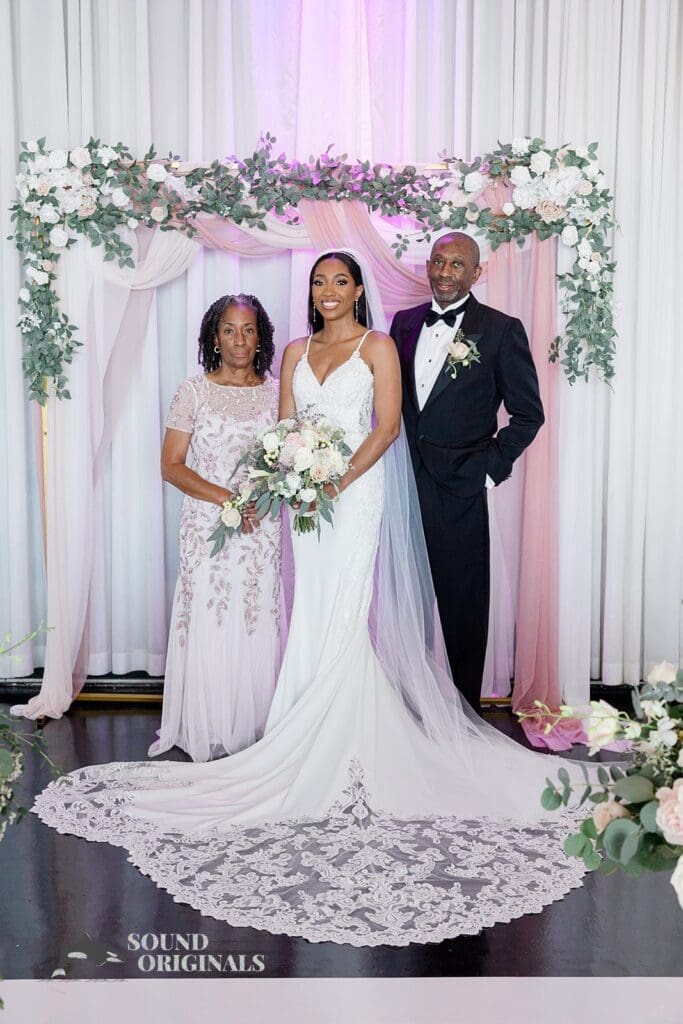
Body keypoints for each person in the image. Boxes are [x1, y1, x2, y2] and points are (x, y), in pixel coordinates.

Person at [33, 251, 589, 948]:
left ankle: (344, 738)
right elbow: (281, 432)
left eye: (340, 281)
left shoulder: (379, 346)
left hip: (354, 495)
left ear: (357, 290)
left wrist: (337, 479)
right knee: (312, 607)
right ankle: (299, 725)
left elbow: (387, 427)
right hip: (306, 499)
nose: (329, 291)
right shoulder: (294, 351)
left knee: (346, 606)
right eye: (319, 282)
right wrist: (292, 476)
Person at [390, 232, 544, 712]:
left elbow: (528, 414)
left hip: (461, 486)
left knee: (463, 603)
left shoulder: (500, 330)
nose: (444, 272)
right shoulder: (403, 323)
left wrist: (487, 470)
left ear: (476, 273)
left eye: (457, 264)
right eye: (438, 261)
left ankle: (466, 713)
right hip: (402, 481)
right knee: (404, 598)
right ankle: (409, 705)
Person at [148, 294, 280, 762]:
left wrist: (264, 496)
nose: (239, 340)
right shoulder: (193, 391)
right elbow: (171, 466)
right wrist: (228, 498)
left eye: (248, 330)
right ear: (214, 338)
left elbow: (287, 459)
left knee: (257, 612)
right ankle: (207, 723)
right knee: (211, 611)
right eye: (229, 330)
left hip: (262, 527)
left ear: (260, 336)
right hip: (207, 524)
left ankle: (256, 723)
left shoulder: (277, 392)